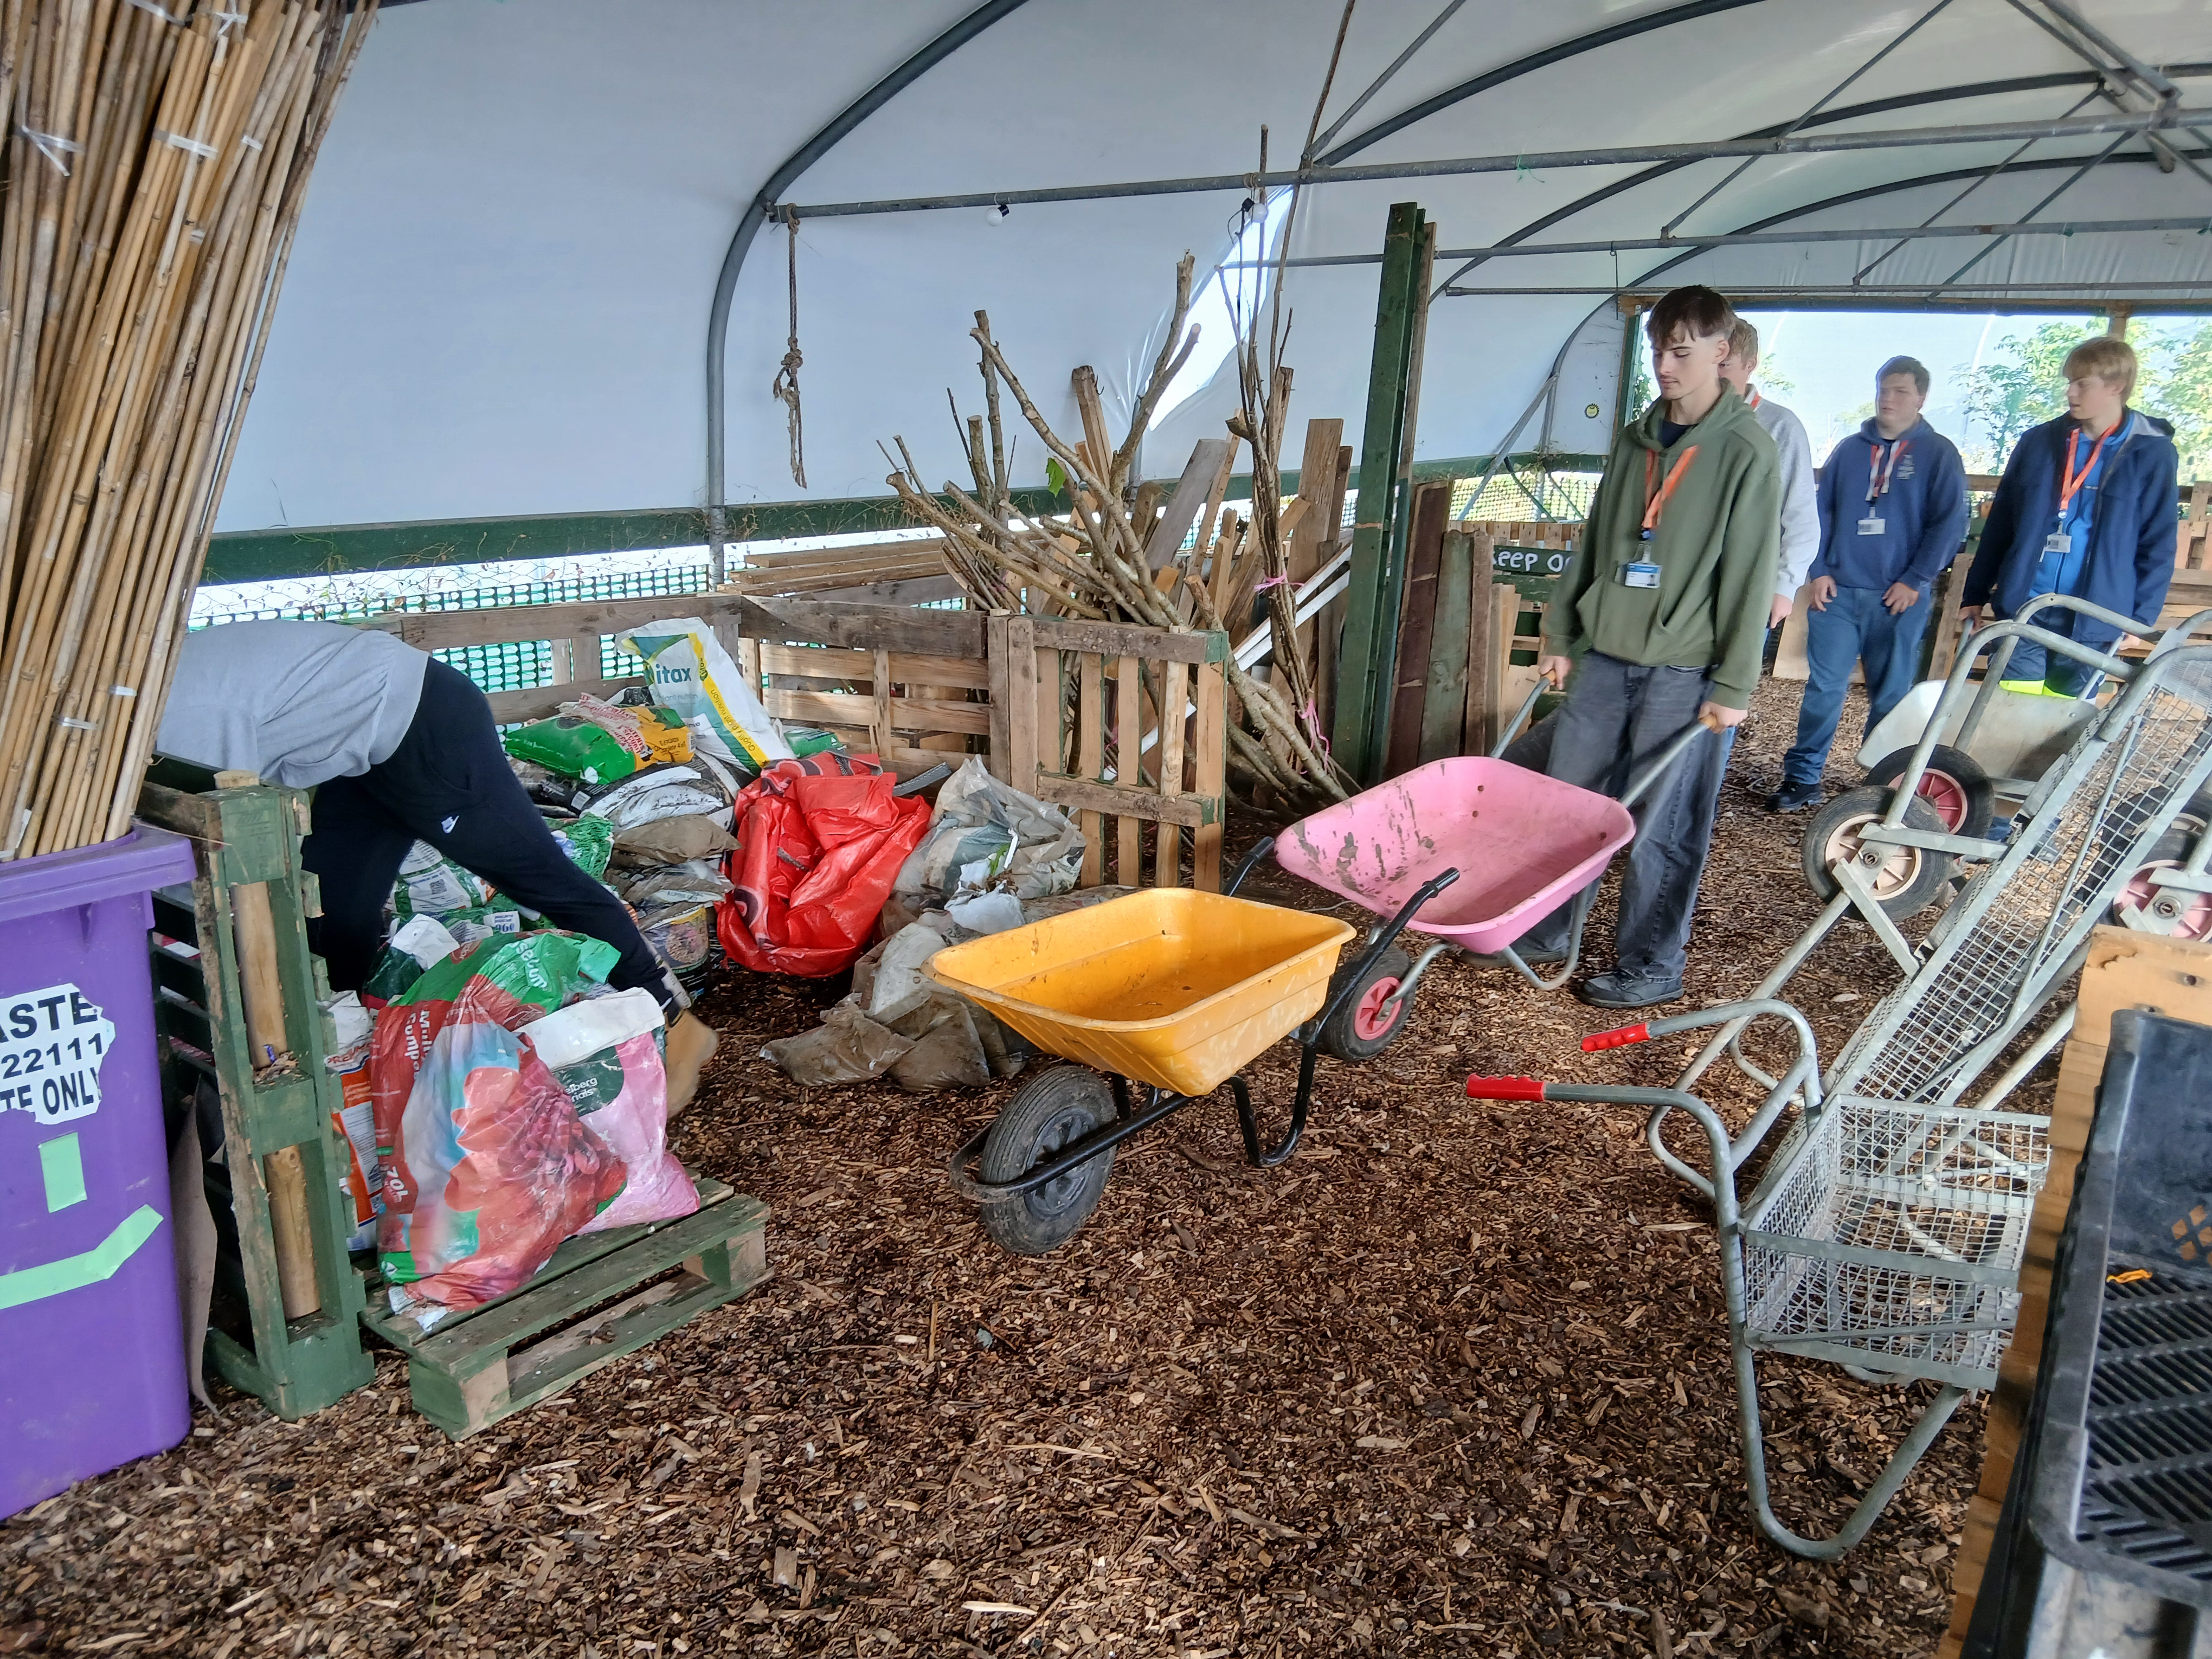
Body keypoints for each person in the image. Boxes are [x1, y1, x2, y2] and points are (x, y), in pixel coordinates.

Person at [155, 621, 722, 1110]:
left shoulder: (180, 713)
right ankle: (353, 1060)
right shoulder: (153, 689)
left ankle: (676, 1023)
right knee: (335, 909)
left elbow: (228, 828)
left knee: (538, 877)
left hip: (424, 722)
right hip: (362, 747)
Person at [1516, 285, 1781, 1009]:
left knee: (1665, 821)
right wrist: (1564, 633)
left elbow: (1750, 573)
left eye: (1682, 352)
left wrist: (1734, 686)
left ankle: (1651, 964)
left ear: (1723, 354)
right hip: (1607, 654)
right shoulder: (1637, 440)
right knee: (1571, 804)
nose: (1665, 365)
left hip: (1684, 668)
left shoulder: (1744, 452)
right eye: (1659, 350)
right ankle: (1547, 929)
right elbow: (1597, 542)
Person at [1769, 356, 1969, 812]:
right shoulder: (1850, 450)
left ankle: (1880, 784)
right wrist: (1817, 570)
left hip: (1897, 597)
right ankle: (1802, 778)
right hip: (1837, 592)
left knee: (1891, 694)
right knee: (1824, 687)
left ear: (1921, 398)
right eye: (1883, 388)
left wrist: (1916, 579)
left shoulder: (1938, 454)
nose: (1888, 398)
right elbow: (1819, 513)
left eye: (1900, 391)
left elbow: (1950, 523)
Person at [1963, 335, 2180, 697]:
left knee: (2062, 724)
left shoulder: (2153, 454)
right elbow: (2001, 524)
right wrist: (1975, 591)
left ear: (2117, 386)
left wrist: (2140, 618)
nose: (2071, 393)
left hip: (2096, 618)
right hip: (2025, 608)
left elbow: (2158, 543)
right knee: (2009, 714)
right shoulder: (2038, 443)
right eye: (2069, 382)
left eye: (2082, 384)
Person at [1720, 319, 1821, 628]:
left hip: (1749, 580)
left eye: (1725, 365)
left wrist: (1785, 587)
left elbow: (1800, 513)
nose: (1714, 374)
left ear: (1750, 364)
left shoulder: (1779, 426)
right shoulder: (1689, 421)